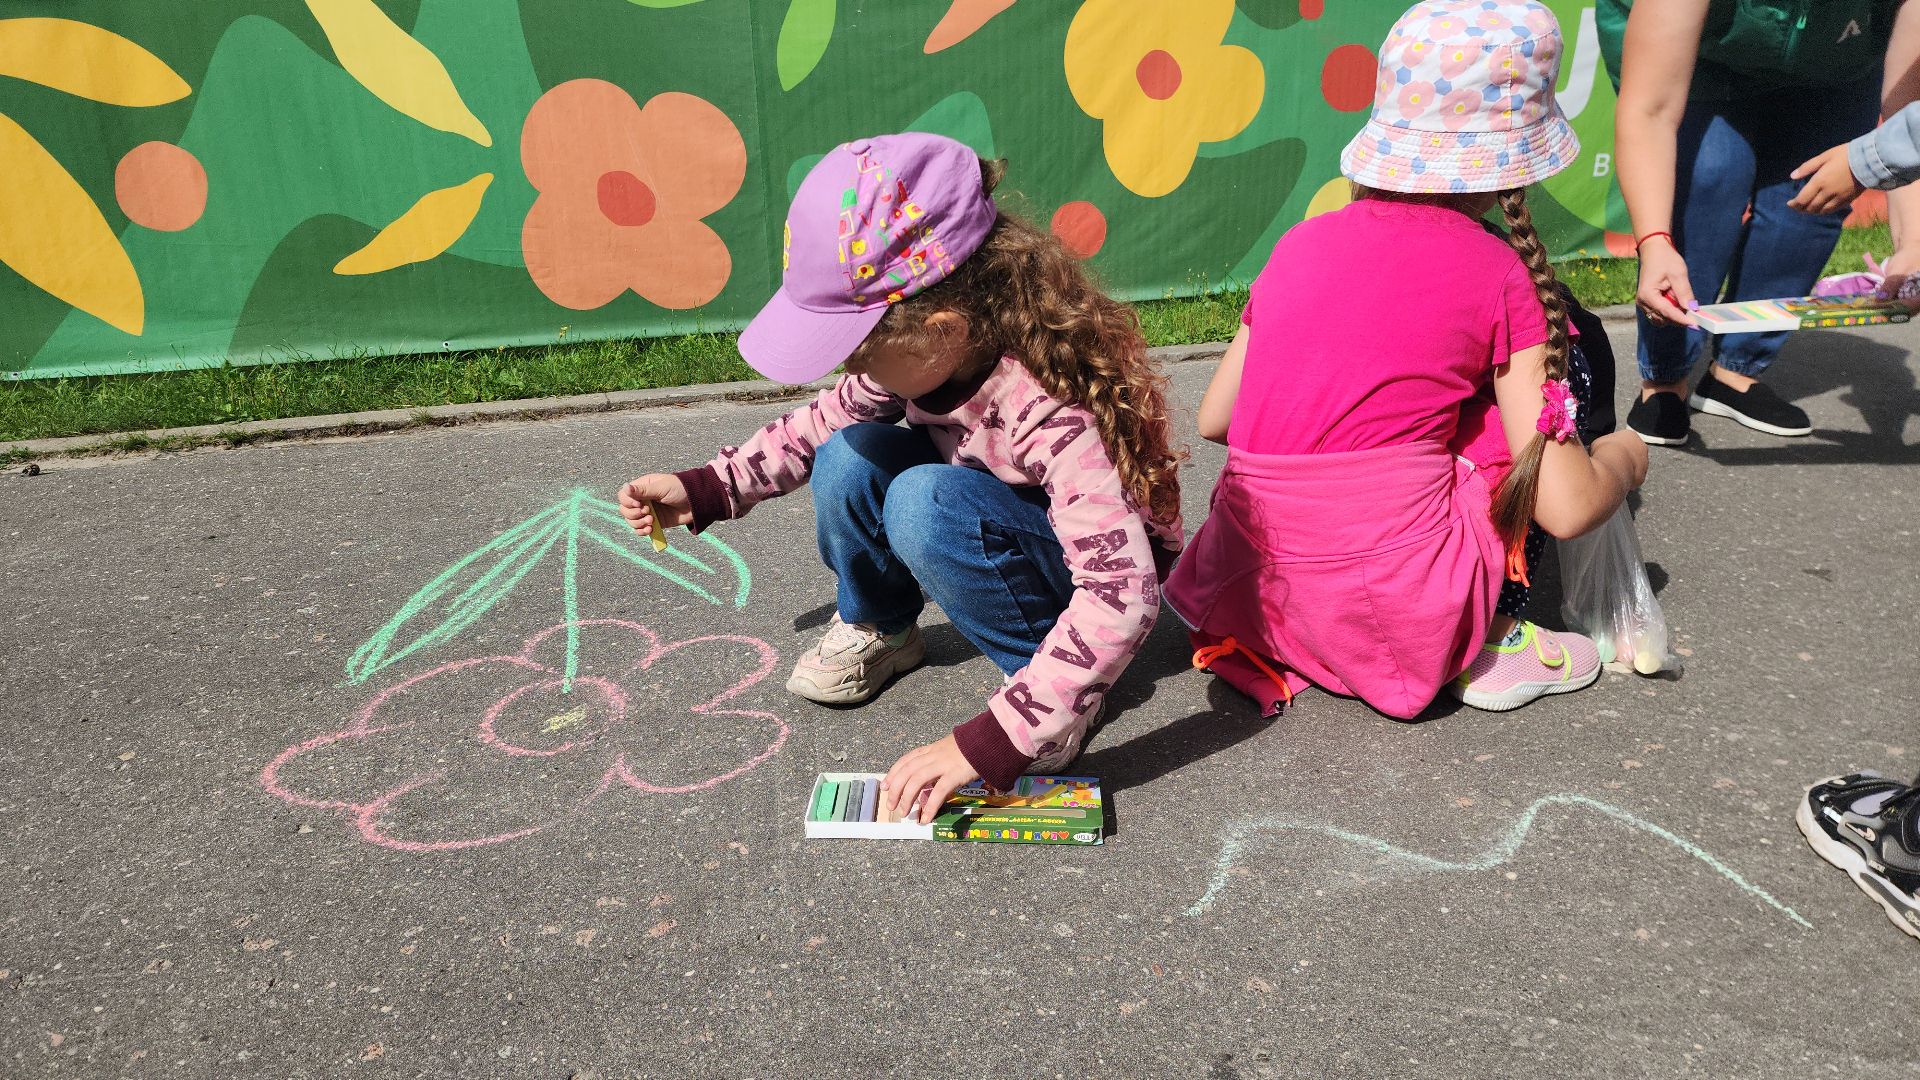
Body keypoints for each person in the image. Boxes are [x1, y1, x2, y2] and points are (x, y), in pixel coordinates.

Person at [615, 133, 1183, 820]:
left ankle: (1047, 693)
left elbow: (1122, 593)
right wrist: (708, 487)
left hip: (1087, 570)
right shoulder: (926, 354)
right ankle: (884, 628)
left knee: (922, 501)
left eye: (859, 357)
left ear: (942, 331)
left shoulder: (1049, 404)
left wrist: (994, 741)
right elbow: (817, 427)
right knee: (851, 452)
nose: (848, 373)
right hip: (993, 512)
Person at [1164, 0, 1649, 719]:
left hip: (1258, 592)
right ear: (1513, 161)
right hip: (1399, 608)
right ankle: (1490, 635)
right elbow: (1568, 506)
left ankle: (1365, 630)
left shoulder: (1299, 245)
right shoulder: (1497, 270)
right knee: (1562, 357)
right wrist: (1625, 456)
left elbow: (1215, 418)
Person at [1603, 0, 1917, 445]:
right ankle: (1664, 379)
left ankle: (1735, 373)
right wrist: (1654, 240)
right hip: (1705, 52)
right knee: (1708, 180)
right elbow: (1649, 110)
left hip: (1833, 62)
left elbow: (1910, 123)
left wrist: (1914, 246)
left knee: (1809, 205)